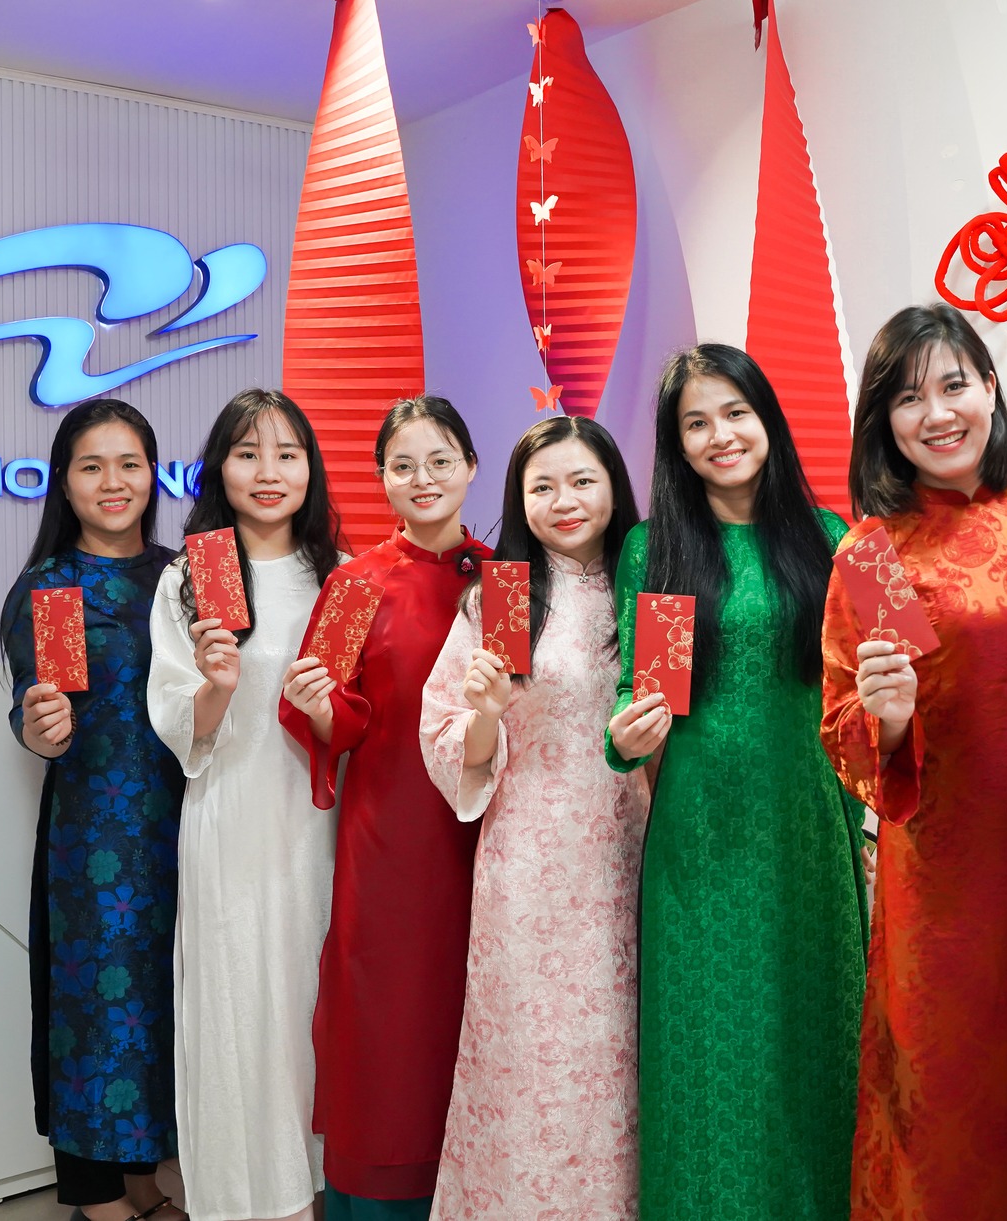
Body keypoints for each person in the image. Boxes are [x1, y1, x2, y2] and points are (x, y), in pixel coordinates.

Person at [817, 304, 1007, 1219]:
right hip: (947, 881)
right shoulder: (875, 551)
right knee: (948, 1104)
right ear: (882, 421)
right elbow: (847, 728)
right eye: (907, 397)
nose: (936, 413)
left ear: (991, 389)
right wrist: (887, 719)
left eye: (954, 385)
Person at [605, 343, 867, 1221]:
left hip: (806, 835)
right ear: (676, 445)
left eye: (735, 413)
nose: (720, 435)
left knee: (812, 1052)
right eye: (696, 423)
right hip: (700, 842)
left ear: (768, 420)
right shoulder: (656, 549)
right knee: (704, 1060)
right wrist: (625, 735)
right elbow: (642, 695)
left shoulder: (832, 538)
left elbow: (884, 677)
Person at [418, 415, 651, 1220]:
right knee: (527, 1054)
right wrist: (487, 710)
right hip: (527, 861)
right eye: (541, 485)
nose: (564, 500)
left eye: (582, 480)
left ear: (615, 484)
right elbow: (449, 737)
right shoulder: (505, 596)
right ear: (519, 499)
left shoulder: (650, 589)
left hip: (633, 851)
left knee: (620, 1051)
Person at [276, 396, 490, 1221]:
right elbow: (335, 721)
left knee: (477, 1015)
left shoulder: (504, 577)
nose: (423, 478)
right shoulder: (356, 584)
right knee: (389, 1026)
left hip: (487, 835)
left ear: (471, 467)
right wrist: (320, 705)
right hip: (391, 843)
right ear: (382, 480)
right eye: (403, 465)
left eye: (440, 460)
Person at [147, 389, 346, 1221]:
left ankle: (320, 1189)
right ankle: (245, 1199)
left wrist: (328, 711)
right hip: (229, 819)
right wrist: (218, 687)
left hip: (321, 823)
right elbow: (177, 723)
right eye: (247, 453)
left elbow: (362, 721)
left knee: (311, 1005)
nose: (269, 472)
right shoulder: (190, 578)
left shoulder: (341, 576)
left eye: (287, 454)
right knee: (236, 1007)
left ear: (311, 468)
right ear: (218, 469)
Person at [0, 399, 186, 1221]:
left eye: (129, 463)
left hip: (187, 828)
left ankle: (143, 1183)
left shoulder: (184, 574)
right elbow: (36, 708)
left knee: (162, 1008)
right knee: (96, 1013)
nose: (114, 482)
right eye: (91, 465)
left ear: (153, 474)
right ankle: (98, 1200)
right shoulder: (52, 589)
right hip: (96, 843)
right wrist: (38, 727)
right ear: (65, 482)